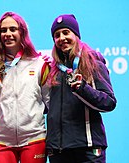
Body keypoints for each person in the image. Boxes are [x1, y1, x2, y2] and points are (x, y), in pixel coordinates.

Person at [46, 14, 117, 163]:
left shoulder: (92, 61)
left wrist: (82, 89)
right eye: (57, 35)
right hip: (58, 150)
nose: (62, 38)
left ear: (76, 35)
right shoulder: (52, 69)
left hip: (87, 149)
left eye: (66, 32)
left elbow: (109, 102)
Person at [0, 11, 50, 163]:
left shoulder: (39, 63)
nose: (7, 34)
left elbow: (50, 103)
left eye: (13, 29)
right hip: (2, 141)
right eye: (3, 30)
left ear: (22, 32)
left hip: (34, 138)